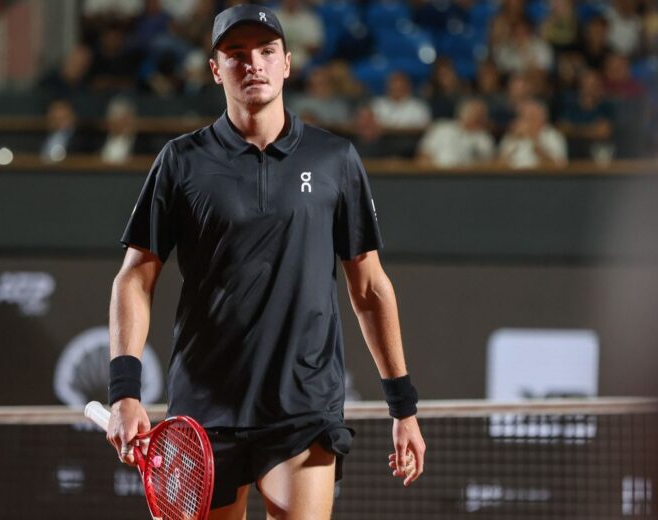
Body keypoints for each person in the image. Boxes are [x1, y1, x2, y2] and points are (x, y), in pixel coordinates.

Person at [105, 5, 426, 520]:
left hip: (302, 405)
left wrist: (403, 407)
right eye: (235, 54)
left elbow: (369, 288)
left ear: (287, 63)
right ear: (216, 69)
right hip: (205, 409)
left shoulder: (334, 160)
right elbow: (135, 278)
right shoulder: (181, 161)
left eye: (265, 52)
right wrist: (124, 390)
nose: (252, 63)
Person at [416, 98, 495, 168]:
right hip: (435, 174)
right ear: (463, 113)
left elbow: (486, 164)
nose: (478, 116)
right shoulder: (442, 127)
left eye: (481, 114)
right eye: (475, 112)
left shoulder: (485, 138)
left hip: (466, 178)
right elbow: (424, 154)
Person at [498, 98, 568, 169]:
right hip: (511, 177)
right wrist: (513, 140)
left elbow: (559, 166)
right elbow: (498, 164)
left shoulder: (552, 136)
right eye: (523, 116)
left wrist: (534, 140)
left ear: (542, 117)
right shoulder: (512, 136)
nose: (526, 120)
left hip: (541, 178)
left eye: (531, 116)